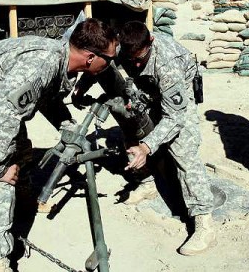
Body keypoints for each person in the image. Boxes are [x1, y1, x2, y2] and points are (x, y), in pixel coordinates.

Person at [0, 18, 117, 272]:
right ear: (90, 58)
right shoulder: (42, 63)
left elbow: (46, 96)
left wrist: (66, 125)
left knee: (21, 153)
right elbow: (3, 114)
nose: (111, 64)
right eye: (108, 59)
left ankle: (25, 203)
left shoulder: (61, 59)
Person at [73, 21, 216, 256]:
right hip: (148, 88)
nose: (136, 64)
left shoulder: (167, 64)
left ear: (150, 42)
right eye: (132, 60)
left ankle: (204, 221)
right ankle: (147, 181)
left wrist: (147, 146)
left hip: (177, 97)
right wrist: (83, 84)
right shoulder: (121, 46)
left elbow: (175, 117)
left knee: (184, 152)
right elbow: (104, 62)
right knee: (131, 126)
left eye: (140, 59)